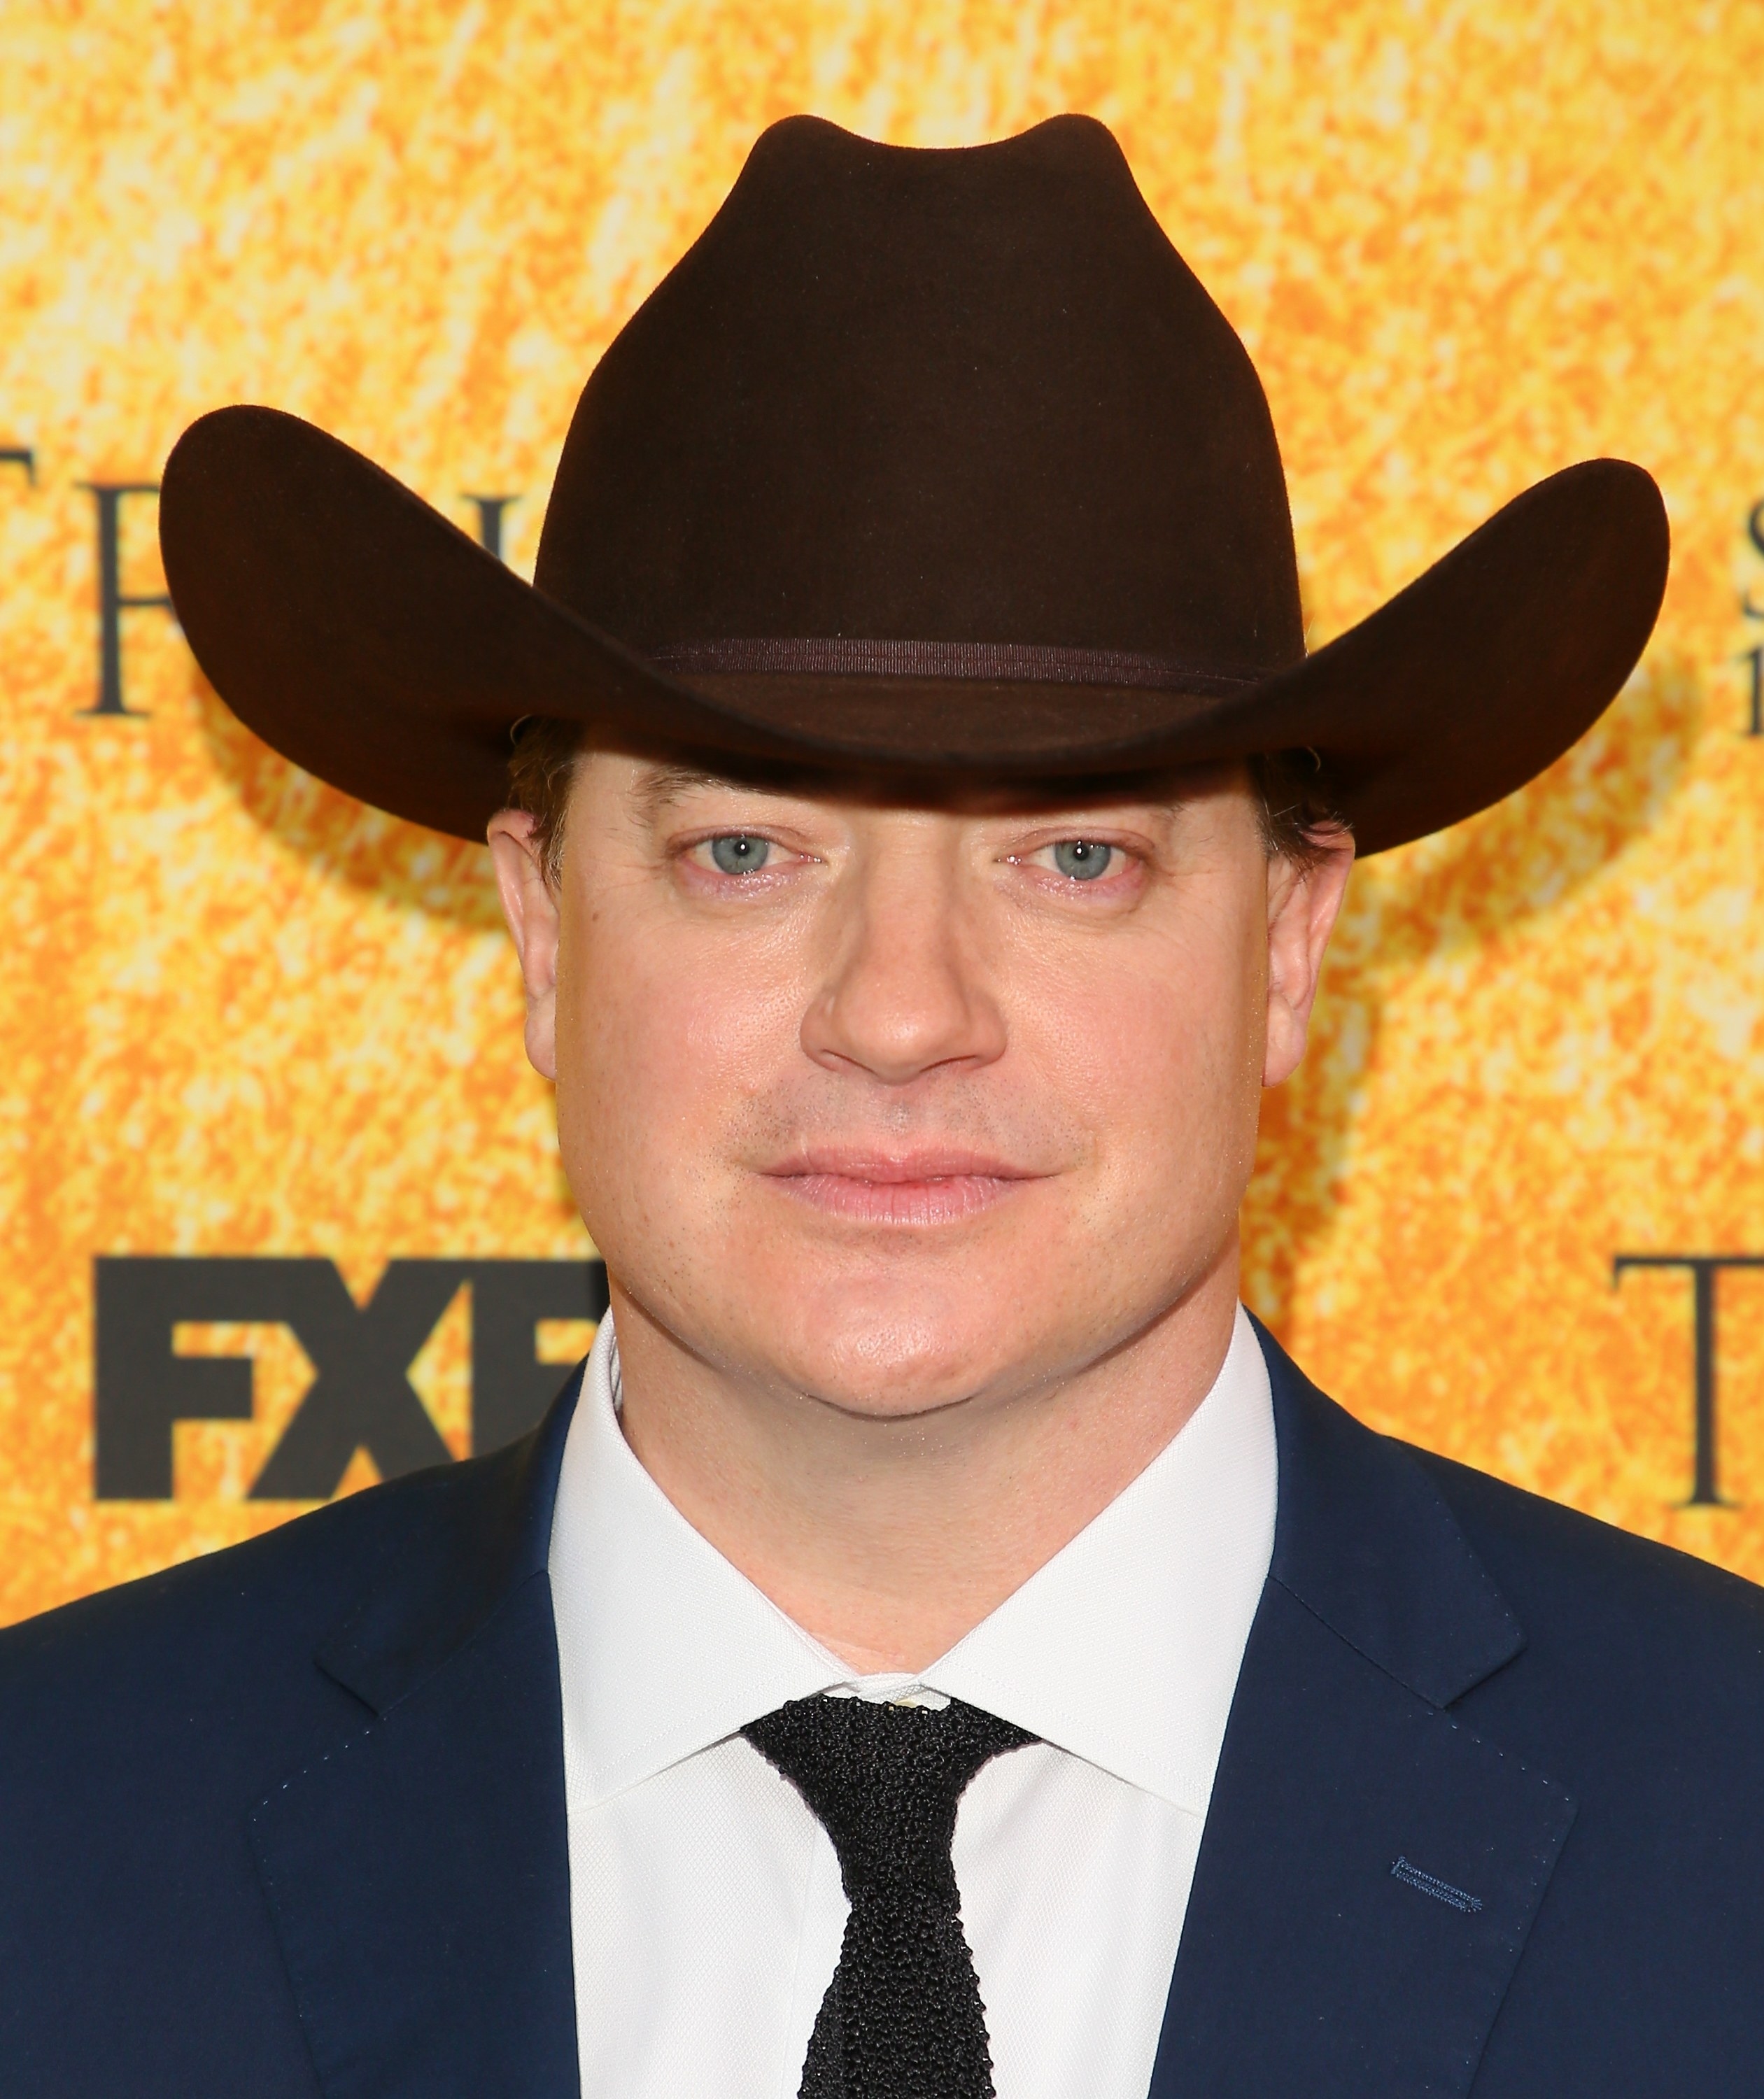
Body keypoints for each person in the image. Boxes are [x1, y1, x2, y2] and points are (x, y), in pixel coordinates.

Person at [2, 113, 1758, 2099]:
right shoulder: (48, 1838)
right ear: (540, 929)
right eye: (745, 854)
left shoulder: (1732, 1832)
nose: (900, 1013)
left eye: (1074, 860)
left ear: (1285, 945)